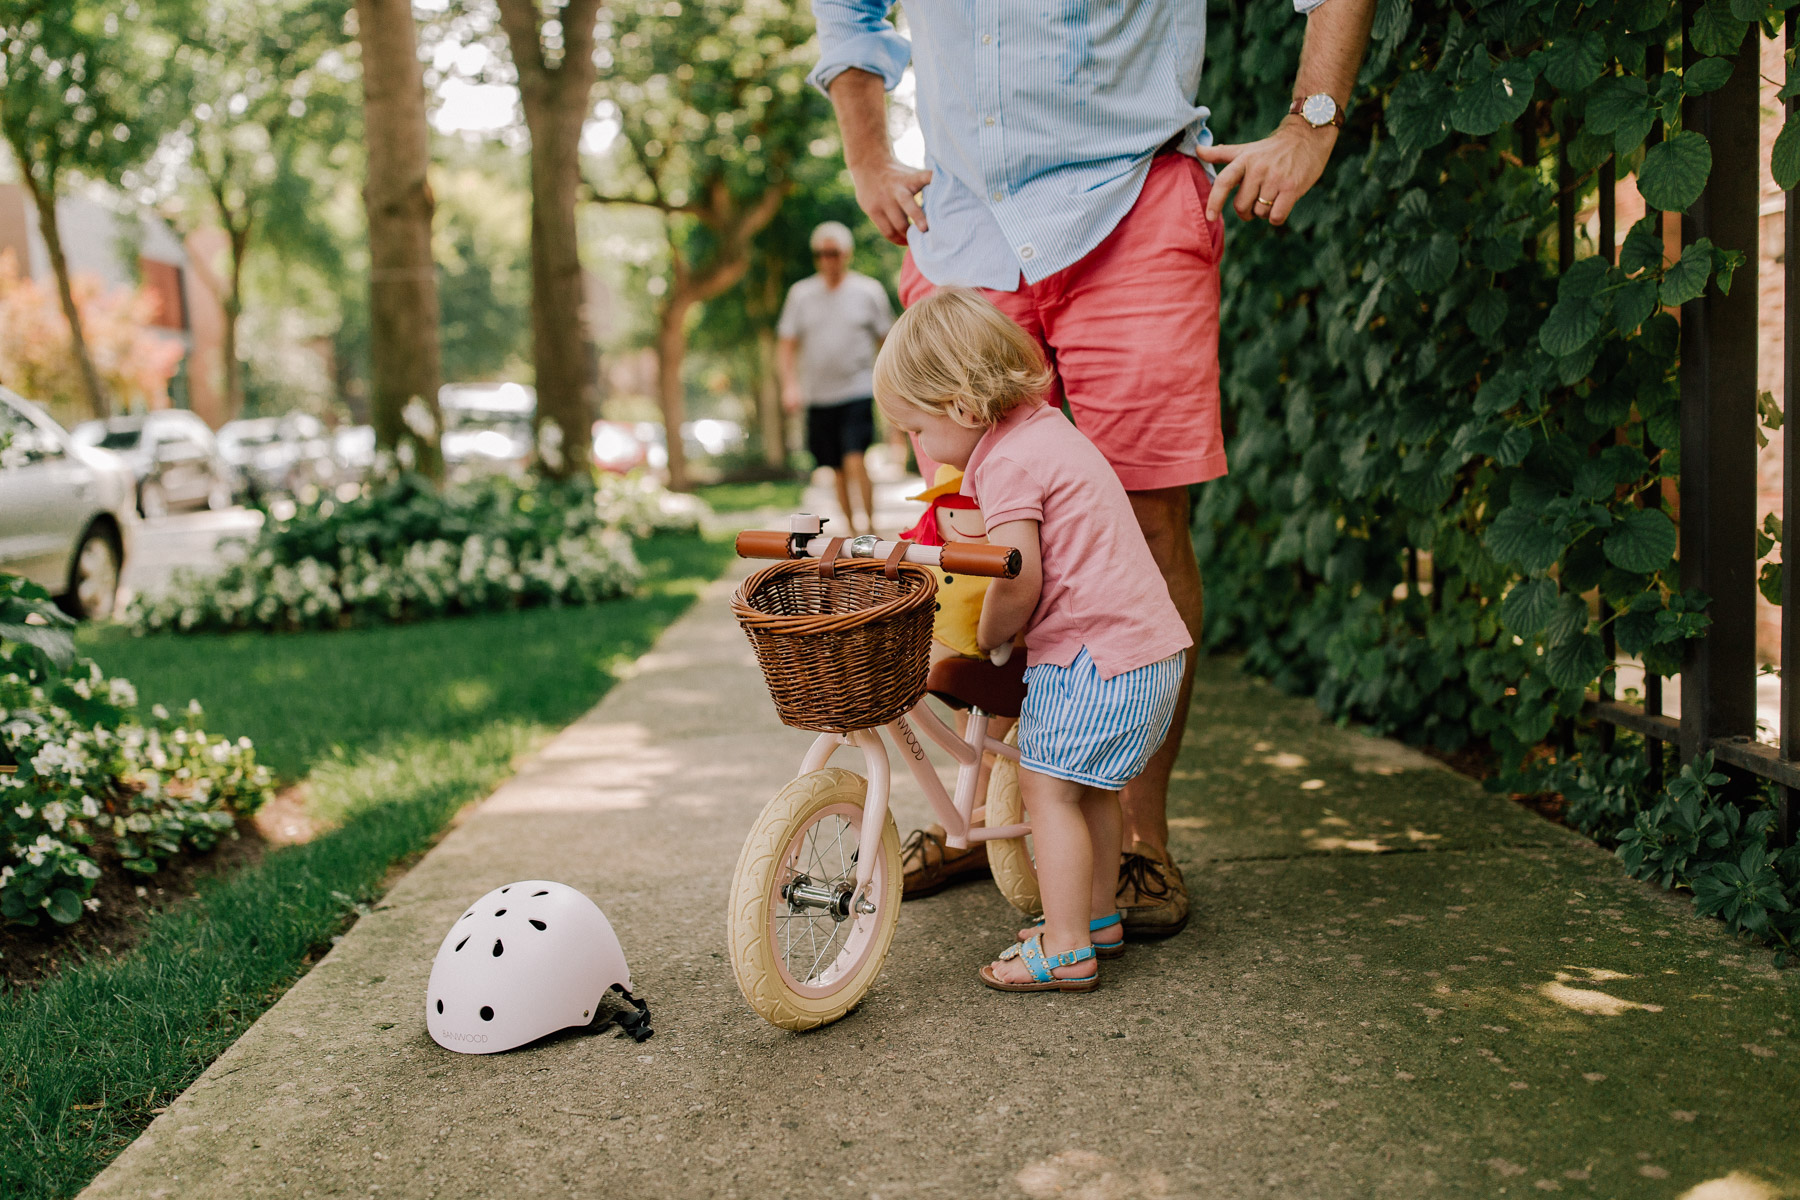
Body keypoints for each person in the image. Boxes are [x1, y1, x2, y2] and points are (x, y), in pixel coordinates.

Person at [809, 0, 1375, 937]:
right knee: (967, 531)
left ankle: (1138, 839)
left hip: (1132, 206)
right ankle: (991, 811)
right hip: (962, 228)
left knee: (1146, 529)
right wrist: (866, 152)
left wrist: (1311, 118)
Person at [874, 287, 1190, 990]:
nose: (917, 445)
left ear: (959, 405)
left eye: (916, 429)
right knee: (1092, 791)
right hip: (1145, 653)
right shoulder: (1043, 429)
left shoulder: (1006, 464)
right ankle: (1098, 916)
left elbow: (1017, 575)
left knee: (1047, 791)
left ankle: (1068, 946)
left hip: (1094, 659)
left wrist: (990, 635)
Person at [776, 221, 895, 536]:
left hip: (857, 389)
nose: (827, 260)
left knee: (856, 458)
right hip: (818, 395)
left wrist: (893, 383)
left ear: (847, 253)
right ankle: (853, 530)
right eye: (820, 254)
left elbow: (888, 340)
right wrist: (790, 385)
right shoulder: (800, 295)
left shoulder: (868, 291)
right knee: (837, 469)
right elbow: (787, 343)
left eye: (833, 252)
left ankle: (870, 527)